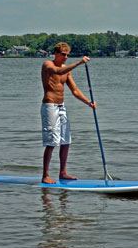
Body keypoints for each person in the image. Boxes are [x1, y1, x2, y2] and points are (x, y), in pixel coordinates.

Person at [40, 42, 97, 183]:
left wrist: (89, 103)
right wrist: (79, 62)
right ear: (56, 53)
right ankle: (45, 175)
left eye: (67, 55)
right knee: (52, 142)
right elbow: (58, 72)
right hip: (50, 106)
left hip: (61, 107)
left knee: (66, 140)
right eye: (63, 54)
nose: (66, 57)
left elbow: (75, 91)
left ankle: (63, 173)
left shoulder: (66, 70)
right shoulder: (47, 65)